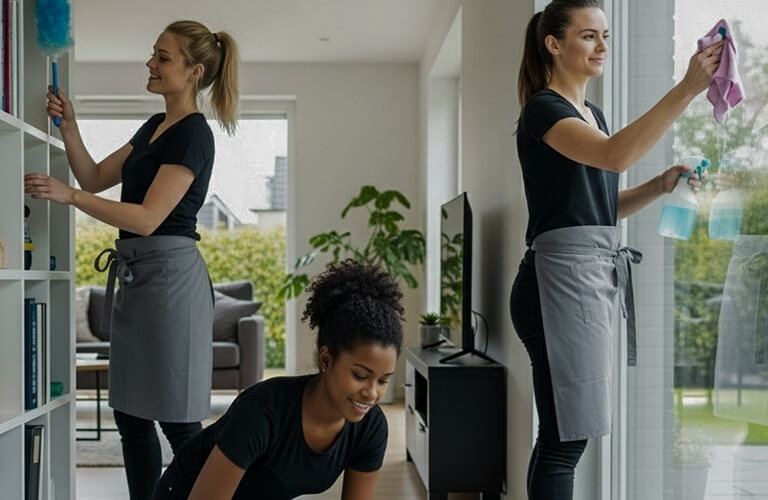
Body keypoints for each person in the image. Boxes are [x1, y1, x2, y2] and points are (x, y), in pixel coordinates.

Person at [509, 1, 722, 498]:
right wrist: (688, 88)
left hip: (581, 277)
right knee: (566, 442)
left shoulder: (593, 114)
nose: (603, 46)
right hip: (555, 284)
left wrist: (659, 185)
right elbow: (614, 155)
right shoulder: (544, 108)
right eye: (589, 36)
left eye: (606, 36)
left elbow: (598, 208)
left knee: (564, 438)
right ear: (554, 44)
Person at [24, 20, 239, 499]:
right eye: (153, 54)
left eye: (163, 57)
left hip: (170, 284)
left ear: (194, 71)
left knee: (178, 420)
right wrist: (71, 126)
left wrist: (69, 197)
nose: (151, 63)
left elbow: (146, 218)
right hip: (139, 277)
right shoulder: (155, 127)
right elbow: (96, 176)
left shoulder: (193, 136)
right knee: (131, 416)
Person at [151, 259, 403, 500]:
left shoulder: (370, 428)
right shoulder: (262, 411)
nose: (371, 393)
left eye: (383, 380)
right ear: (326, 360)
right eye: (360, 376)